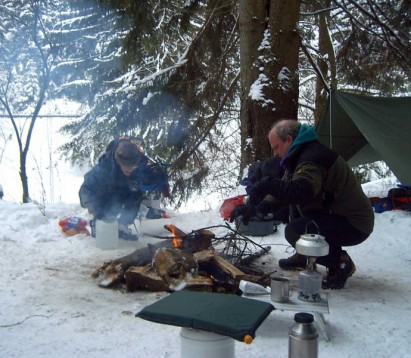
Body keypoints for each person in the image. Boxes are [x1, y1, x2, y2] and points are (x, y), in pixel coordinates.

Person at [243, 119, 374, 289]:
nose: (275, 154)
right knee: (293, 205)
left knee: (295, 231)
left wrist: (266, 183)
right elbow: (284, 191)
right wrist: (261, 207)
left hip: (354, 223)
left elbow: (302, 191)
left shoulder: (312, 157)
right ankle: (304, 254)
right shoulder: (299, 155)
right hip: (335, 214)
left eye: (276, 147)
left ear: (289, 140)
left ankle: (341, 262)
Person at [79, 137, 169, 241]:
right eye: (127, 166)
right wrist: (99, 214)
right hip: (106, 197)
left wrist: (158, 177)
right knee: (106, 213)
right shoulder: (103, 169)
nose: (130, 169)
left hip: (124, 193)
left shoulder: (138, 163)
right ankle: (100, 225)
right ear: (118, 161)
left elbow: (143, 185)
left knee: (135, 191)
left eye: (133, 166)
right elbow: (85, 192)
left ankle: (123, 226)